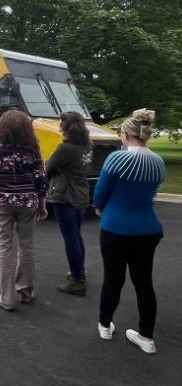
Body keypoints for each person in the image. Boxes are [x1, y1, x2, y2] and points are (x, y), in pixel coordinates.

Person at [95, 109, 164, 354]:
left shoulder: (116, 159)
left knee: (113, 279)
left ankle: (105, 324)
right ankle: (146, 337)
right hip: (149, 228)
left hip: (116, 228)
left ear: (125, 134)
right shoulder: (158, 161)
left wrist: (100, 209)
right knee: (144, 282)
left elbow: (100, 194)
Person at [0, 110, 48, 311]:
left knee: (4, 247)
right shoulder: (32, 145)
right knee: (26, 246)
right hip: (28, 201)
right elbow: (40, 176)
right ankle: (25, 291)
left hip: (1, 200)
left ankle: (7, 298)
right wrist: (42, 203)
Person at [46, 111, 92, 296]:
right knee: (76, 235)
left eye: (61, 124)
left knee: (70, 238)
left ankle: (77, 281)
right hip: (81, 194)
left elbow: (47, 168)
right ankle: (78, 272)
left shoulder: (65, 148)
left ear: (66, 127)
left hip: (65, 196)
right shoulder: (87, 146)